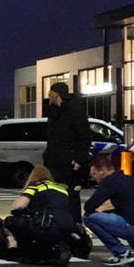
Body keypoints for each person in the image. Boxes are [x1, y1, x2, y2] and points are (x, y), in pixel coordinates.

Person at [83, 155, 134, 266]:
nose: (93, 178)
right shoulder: (129, 179)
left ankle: (121, 253)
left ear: (102, 171)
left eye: (94, 174)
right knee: (122, 217)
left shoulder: (110, 181)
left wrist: (101, 214)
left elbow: (89, 206)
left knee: (89, 218)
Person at [3, 165, 77, 267]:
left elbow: (19, 206)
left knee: (9, 221)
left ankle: (14, 247)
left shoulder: (36, 185)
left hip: (45, 226)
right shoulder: (62, 189)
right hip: (66, 229)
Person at [44, 81, 90, 223]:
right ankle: (59, 228)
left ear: (56, 94)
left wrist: (78, 160)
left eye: (49, 94)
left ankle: (75, 229)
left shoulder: (75, 112)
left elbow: (85, 137)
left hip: (69, 166)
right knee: (55, 198)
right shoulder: (53, 114)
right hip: (54, 164)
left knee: (71, 199)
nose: (48, 97)